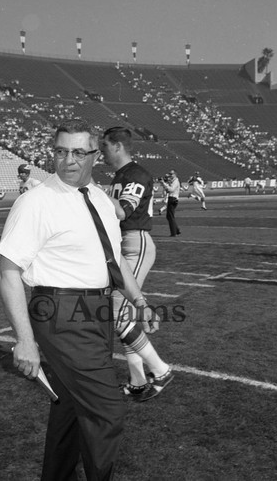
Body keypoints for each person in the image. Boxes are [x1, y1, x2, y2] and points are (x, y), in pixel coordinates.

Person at [0, 119, 159, 480]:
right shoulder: (36, 202)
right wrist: (24, 340)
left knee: (70, 407)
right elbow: (8, 272)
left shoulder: (101, 199)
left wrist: (139, 299)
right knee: (107, 410)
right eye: (60, 151)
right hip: (60, 313)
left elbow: (114, 260)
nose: (67, 160)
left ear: (94, 156)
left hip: (98, 311)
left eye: (77, 152)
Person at [101, 126, 173, 401]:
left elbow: (122, 211)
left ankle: (160, 369)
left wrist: (92, 192)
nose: (102, 152)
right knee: (124, 315)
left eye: (105, 145)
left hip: (135, 243)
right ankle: (138, 380)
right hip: (122, 244)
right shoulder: (122, 175)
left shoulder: (136, 174)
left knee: (118, 310)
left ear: (118, 146)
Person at [162, 170, 181, 236]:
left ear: (175, 174)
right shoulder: (173, 181)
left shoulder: (175, 181)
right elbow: (168, 190)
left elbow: (171, 190)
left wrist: (164, 184)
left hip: (173, 198)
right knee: (170, 216)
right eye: (170, 174)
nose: (170, 175)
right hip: (172, 198)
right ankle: (176, 230)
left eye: (171, 174)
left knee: (170, 216)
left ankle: (174, 232)